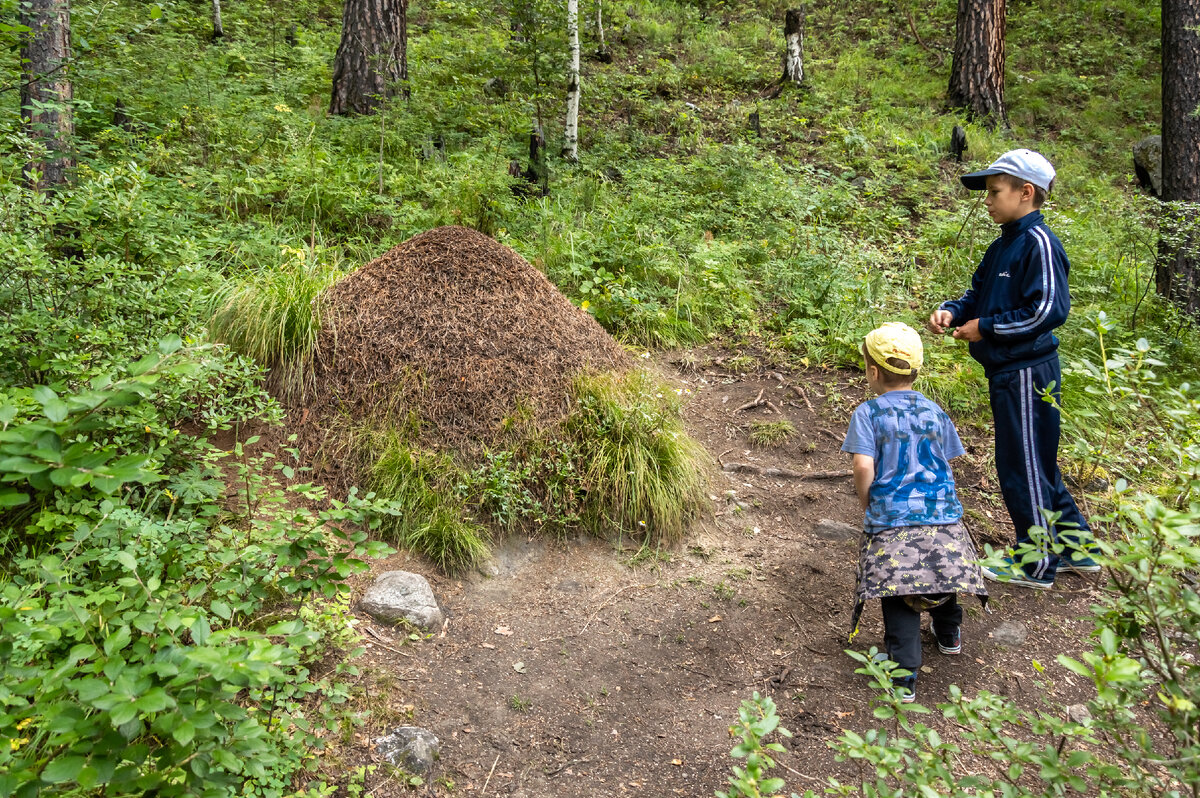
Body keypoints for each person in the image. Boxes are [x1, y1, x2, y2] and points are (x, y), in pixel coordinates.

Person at [929, 149, 1099, 590]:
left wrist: (985, 328)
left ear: (1026, 193)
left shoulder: (1039, 242)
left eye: (994, 191)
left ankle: (1035, 562)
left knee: (1020, 465)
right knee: (1035, 460)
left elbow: (1047, 311)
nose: (987, 200)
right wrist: (952, 311)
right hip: (1009, 371)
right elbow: (978, 294)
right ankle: (1077, 548)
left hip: (1027, 372)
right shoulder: (1004, 242)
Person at [843, 322, 988, 704]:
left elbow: (862, 466)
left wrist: (867, 501)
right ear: (917, 371)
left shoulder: (868, 413)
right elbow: (948, 458)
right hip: (941, 515)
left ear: (873, 371)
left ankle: (904, 674)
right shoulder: (934, 410)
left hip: (892, 518)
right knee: (941, 574)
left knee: (899, 590)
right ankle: (949, 635)